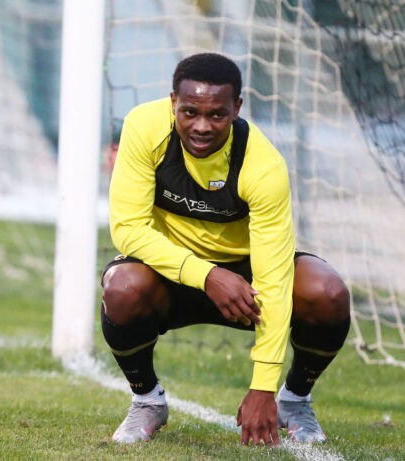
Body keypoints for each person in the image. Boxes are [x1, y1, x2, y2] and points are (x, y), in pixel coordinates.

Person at [101, 52, 351, 446]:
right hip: (172, 276)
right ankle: (147, 400)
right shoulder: (144, 127)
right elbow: (129, 229)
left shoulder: (263, 165)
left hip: (245, 284)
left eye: (217, 114)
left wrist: (263, 387)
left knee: (326, 292)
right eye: (189, 112)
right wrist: (207, 275)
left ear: (236, 108)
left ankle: (294, 400)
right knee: (122, 287)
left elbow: (273, 278)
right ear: (173, 102)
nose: (201, 126)